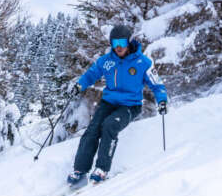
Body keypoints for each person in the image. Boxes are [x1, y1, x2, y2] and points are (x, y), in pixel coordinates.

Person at [66, 24, 168, 184]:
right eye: (115, 43)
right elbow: (91, 74)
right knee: (93, 129)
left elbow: (157, 84)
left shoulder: (143, 62)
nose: (118, 47)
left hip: (130, 106)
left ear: (129, 42)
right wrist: (79, 85)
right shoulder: (106, 61)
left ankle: (102, 169)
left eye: (122, 43)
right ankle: (80, 169)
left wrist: (162, 100)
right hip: (108, 103)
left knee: (110, 125)